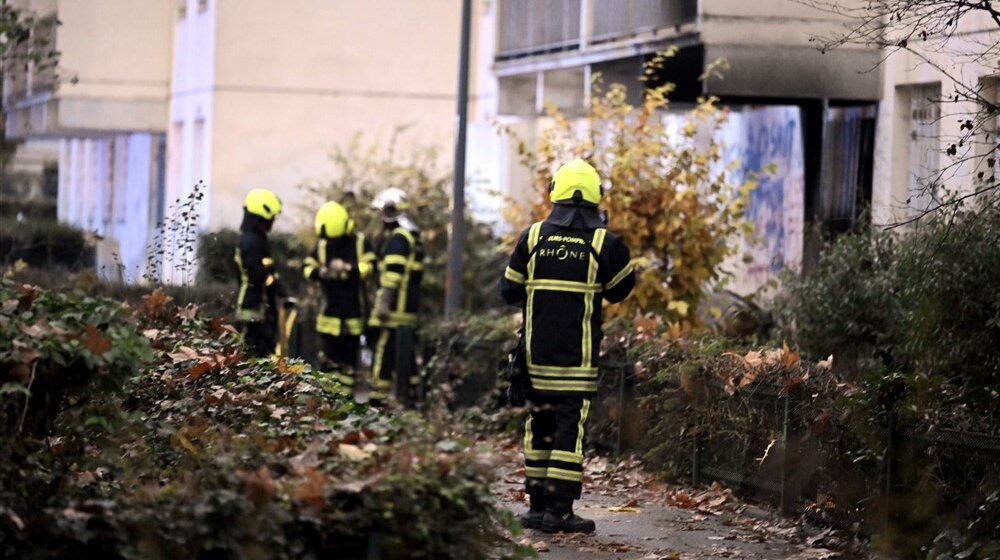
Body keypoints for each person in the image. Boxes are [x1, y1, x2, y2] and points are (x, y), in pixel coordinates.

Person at [500, 159, 636, 534]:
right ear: (596, 197)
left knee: (538, 427)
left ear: (554, 193)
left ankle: (537, 508)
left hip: (534, 358)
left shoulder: (532, 237)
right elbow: (622, 289)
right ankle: (559, 513)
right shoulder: (603, 243)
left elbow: (508, 289)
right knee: (567, 433)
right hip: (577, 360)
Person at [303, 201, 375, 397]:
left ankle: (345, 399)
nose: (332, 243)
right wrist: (322, 272)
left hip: (353, 313)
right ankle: (330, 399)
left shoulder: (360, 243)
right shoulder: (323, 244)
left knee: (350, 363)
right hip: (328, 314)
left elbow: (370, 267)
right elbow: (307, 267)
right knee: (328, 362)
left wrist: (348, 268)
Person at [368, 187, 425, 404]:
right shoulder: (413, 236)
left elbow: (392, 276)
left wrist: (383, 304)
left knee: (384, 352)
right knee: (406, 354)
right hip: (407, 310)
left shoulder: (399, 239)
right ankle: (410, 396)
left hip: (394, 311)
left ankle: (377, 400)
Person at [234, 188, 284, 358]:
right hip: (251, 308)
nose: (273, 221)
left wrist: (278, 288)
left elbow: (267, 269)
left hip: (260, 308)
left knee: (264, 352)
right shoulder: (250, 241)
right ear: (260, 217)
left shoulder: (258, 239)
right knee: (250, 353)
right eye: (271, 218)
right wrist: (274, 284)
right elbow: (255, 271)